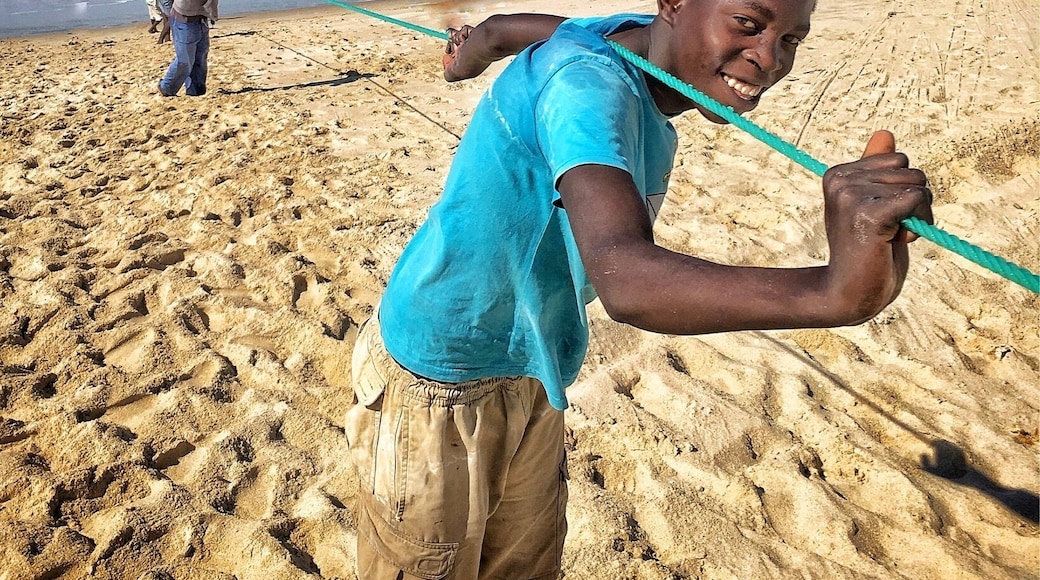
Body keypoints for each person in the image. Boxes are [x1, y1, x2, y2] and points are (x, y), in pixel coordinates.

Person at [344, 1, 933, 578]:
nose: (769, 57)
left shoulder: (623, 38)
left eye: (791, 40)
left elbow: (505, 29)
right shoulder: (585, 89)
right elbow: (624, 277)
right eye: (748, 24)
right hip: (442, 377)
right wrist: (832, 292)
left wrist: (466, 56)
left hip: (532, 363)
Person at [157, 0, 217, 97]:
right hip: (184, 18)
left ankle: (195, 89)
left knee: (200, 57)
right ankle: (167, 87)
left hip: (201, 17)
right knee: (185, 60)